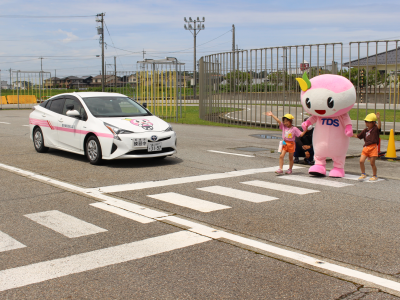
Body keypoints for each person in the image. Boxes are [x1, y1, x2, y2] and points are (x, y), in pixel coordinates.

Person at [352, 112, 381, 181]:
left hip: (373, 147)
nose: (367, 123)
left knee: (372, 163)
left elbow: (379, 126)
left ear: (373, 123)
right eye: (366, 122)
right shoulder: (365, 130)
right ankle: (363, 174)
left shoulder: (375, 129)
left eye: (368, 122)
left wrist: (378, 118)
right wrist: (350, 134)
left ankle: (374, 175)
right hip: (366, 147)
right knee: (361, 161)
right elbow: (358, 136)